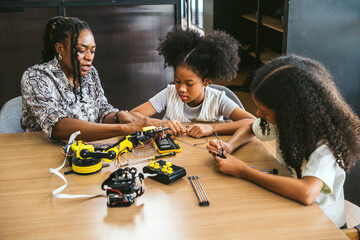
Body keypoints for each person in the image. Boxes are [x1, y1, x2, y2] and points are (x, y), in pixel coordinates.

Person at [207, 55, 360, 228]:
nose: (258, 114)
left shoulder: (326, 142)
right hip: (289, 202)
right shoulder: (287, 121)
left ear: (290, 111)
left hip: (322, 223)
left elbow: (307, 192)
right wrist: (229, 146)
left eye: (264, 111)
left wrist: (243, 170)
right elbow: (251, 127)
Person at [21, 16, 148, 142]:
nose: (89, 57)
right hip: (41, 153)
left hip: (86, 150)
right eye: (81, 50)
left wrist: (117, 116)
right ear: (60, 49)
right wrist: (124, 128)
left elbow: (101, 111)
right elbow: (57, 127)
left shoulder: (91, 73)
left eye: (92, 51)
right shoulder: (36, 77)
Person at [130, 26, 256, 138]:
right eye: (177, 81)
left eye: (189, 84)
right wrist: (160, 123)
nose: (181, 89)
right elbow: (132, 115)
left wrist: (212, 129)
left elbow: (252, 122)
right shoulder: (170, 93)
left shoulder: (217, 99)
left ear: (206, 82)